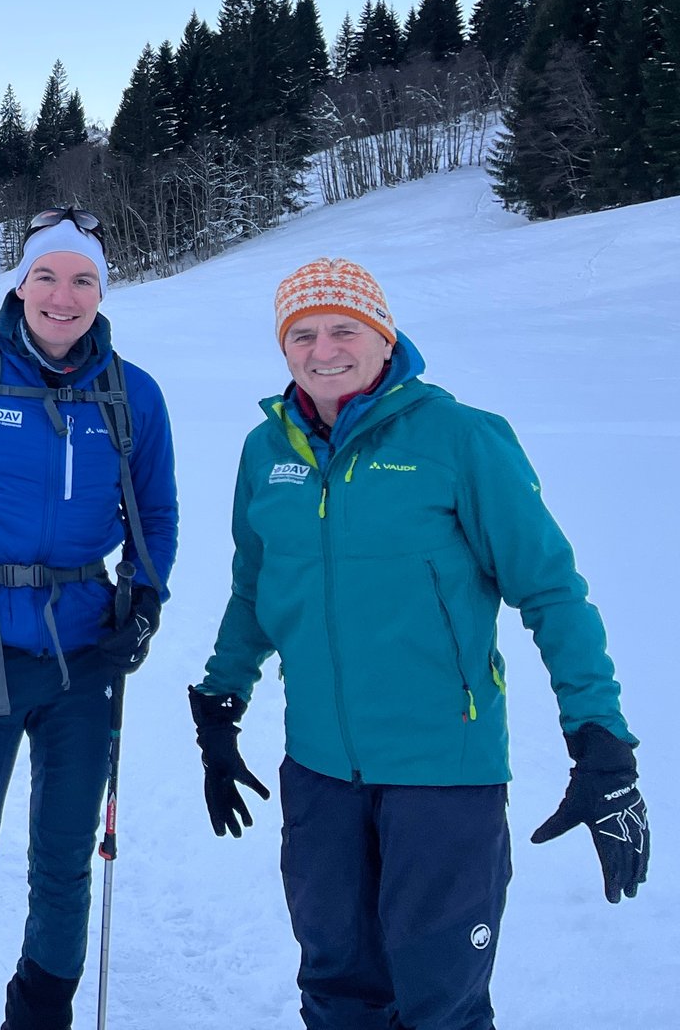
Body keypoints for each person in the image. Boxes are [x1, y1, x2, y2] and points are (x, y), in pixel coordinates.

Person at [190, 257, 649, 1030]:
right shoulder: (265, 453)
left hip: (444, 776)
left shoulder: (460, 439)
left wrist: (601, 740)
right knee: (337, 992)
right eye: (301, 333)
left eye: (344, 328)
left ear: (383, 334)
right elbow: (258, 588)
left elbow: (551, 591)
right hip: (320, 774)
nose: (323, 349)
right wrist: (221, 698)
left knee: (442, 1003)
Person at [0, 208, 178, 1030]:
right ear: (19, 283)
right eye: (47, 275)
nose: (63, 294)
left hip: (86, 662)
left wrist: (146, 603)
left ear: (101, 292)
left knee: (63, 866)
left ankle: (39, 1018)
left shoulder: (131, 394)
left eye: (83, 278)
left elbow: (155, 515)